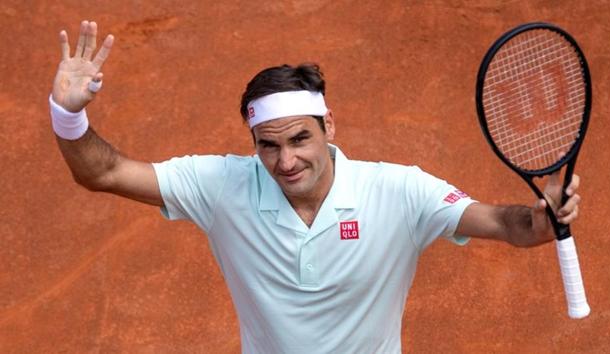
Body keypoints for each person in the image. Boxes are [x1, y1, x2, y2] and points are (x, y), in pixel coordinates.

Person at [50, 21, 581, 353]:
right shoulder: (221, 184)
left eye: (300, 139)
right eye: (268, 145)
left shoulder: (398, 191)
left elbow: (507, 224)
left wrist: (542, 216)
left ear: (330, 127)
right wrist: (67, 116)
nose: (286, 161)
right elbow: (103, 173)